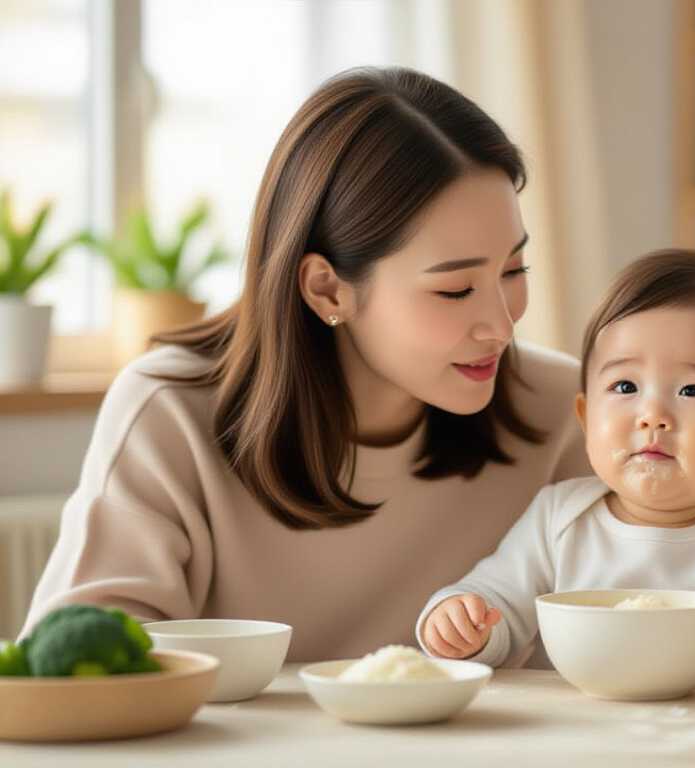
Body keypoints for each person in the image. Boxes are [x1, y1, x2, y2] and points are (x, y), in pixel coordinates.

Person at [23, 67, 590, 662]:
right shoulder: (170, 411)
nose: (503, 325)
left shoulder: (567, 410)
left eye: (513, 271)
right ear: (327, 289)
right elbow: (77, 667)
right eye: (454, 290)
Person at [417, 249, 695, 684]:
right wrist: (460, 623)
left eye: (692, 390)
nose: (652, 414)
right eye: (623, 386)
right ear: (586, 417)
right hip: (584, 738)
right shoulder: (558, 518)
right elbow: (493, 603)